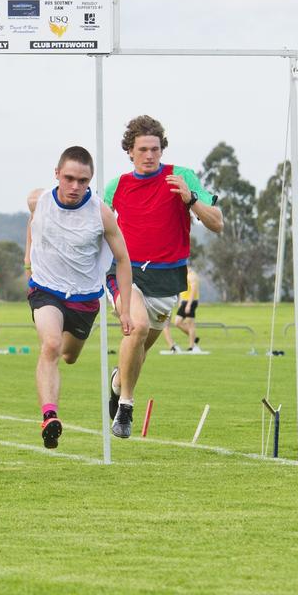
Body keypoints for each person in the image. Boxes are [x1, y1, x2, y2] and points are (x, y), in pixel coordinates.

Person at [106, 115, 222, 438]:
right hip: (125, 272)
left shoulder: (182, 177)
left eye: (155, 149)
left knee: (139, 349)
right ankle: (126, 407)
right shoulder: (116, 186)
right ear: (130, 151)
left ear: (162, 149)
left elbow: (217, 223)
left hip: (167, 279)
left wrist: (191, 199)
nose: (149, 155)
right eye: (142, 149)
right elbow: (96, 230)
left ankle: (117, 384)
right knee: (137, 326)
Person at [25, 146, 135, 449]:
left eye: (83, 181)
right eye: (69, 178)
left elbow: (123, 259)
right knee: (51, 344)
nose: (75, 187)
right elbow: (33, 222)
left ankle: (55, 387)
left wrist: (124, 308)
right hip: (46, 288)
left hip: (84, 298)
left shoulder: (101, 214)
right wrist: (28, 260)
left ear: (91, 181)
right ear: (57, 174)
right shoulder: (39, 200)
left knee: (69, 356)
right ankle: (50, 416)